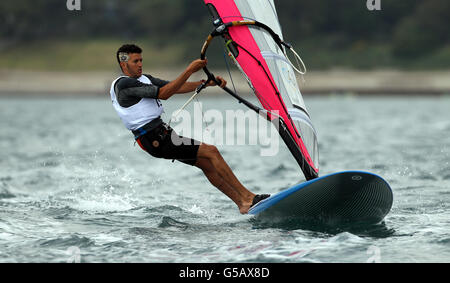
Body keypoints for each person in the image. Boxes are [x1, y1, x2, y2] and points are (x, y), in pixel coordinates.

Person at [109, 44, 269, 214]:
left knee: (207, 164)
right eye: (135, 61)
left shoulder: (144, 79)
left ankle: (242, 204)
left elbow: (174, 86)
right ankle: (248, 197)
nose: (140, 64)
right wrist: (189, 70)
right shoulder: (124, 85)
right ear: (123, 64)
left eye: (141, 60)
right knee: (211, 151)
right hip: (154, 139)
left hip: (162, 135)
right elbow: (164, 93)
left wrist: (206, 83)